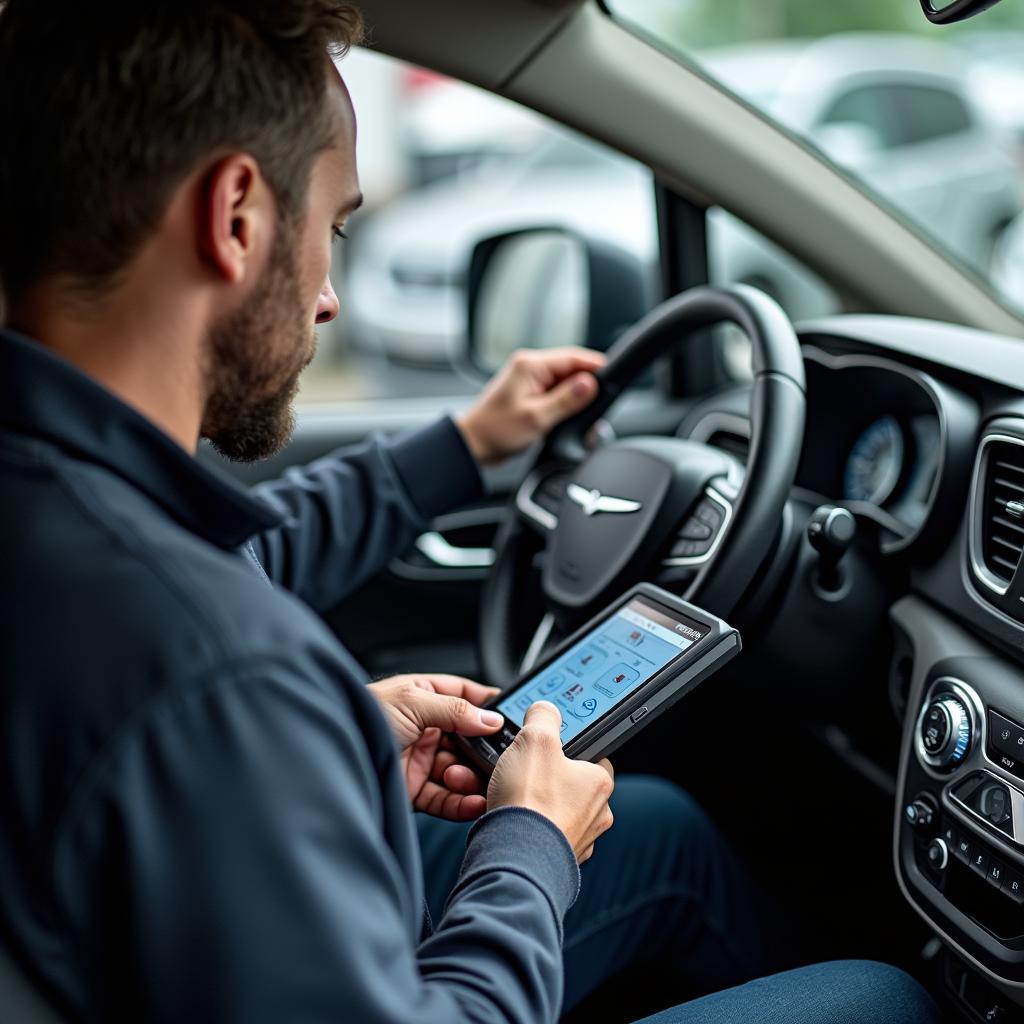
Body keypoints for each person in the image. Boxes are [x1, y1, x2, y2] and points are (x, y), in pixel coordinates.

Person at [0, 3, 941, 1022]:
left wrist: (342, 724)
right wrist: (529, 839)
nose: (330, 296)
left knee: (658, 828)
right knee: (882, 997)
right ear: (235, 216)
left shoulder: (61, 504)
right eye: (335, 227)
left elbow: (232, 581)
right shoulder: (217, 671)